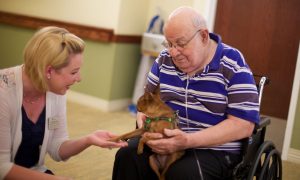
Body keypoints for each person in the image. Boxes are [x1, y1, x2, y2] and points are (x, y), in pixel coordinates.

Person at [112, 6, 259, 180]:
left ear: (203, 36)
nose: (173, 52)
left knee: (181, 174)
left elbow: (244, 125)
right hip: (165, 137)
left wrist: (188, 141)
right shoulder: (164, 60)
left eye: (180, 44)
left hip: (213, 149)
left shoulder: (232, 62)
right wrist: (145, 122)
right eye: (169, 44)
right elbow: (145, 104)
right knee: (126, 156)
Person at [0, 26, 127, 180]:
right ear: (49, 71)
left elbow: (57, 148)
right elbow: (2, 168)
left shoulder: (54, 89)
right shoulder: (3, 94)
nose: (79, 78)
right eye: (74, 72)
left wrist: (88, 139)